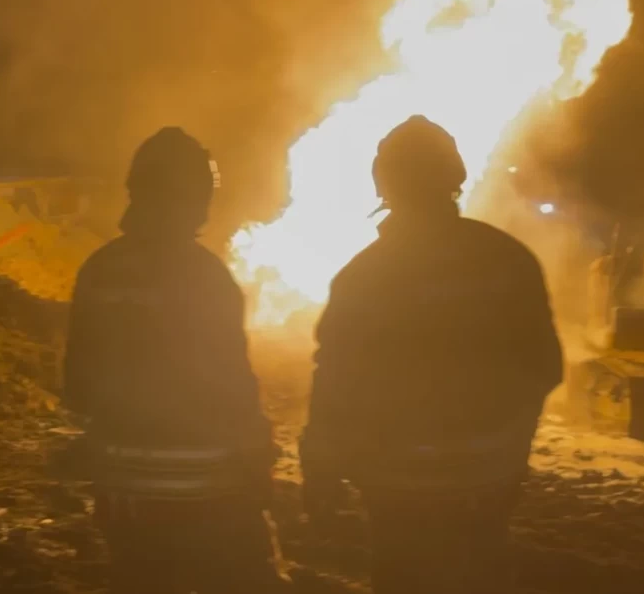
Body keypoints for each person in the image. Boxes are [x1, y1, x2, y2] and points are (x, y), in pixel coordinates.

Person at [301, 115, 564, 594]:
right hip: (485, 483)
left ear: (383, 184)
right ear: (454, 177)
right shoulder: (509, 260)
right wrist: (505, 443)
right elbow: (545, 366)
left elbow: (335, 386)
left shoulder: (364, 276)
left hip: (395, 487)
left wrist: (321, 474)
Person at [62, 127, 287, 594]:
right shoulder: (205, 276)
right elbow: (233, 386)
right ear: (196, 197)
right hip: (210, 496)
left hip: (125, 496)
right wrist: (258, 464)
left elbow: (78, 385)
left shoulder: (99, 271)